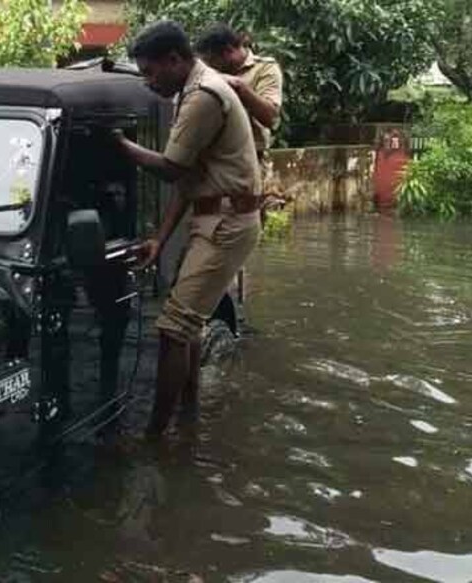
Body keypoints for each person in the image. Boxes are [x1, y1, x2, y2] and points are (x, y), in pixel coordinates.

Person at [112, 21, 262, 438]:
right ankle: (189, 416)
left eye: (151, 72)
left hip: (227, 222)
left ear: (175, 60)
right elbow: (188, 179)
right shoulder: (193, 89)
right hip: (215, 215)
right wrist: (160, 238)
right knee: (189, 324)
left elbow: (171, 168)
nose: (148, 81)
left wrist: (122, 146)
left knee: (172, 328)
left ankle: (156, 438)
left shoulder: (203, 96)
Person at [195, 23, 283, 197]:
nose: (210, 66)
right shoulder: (211, 72)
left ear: (227, 51)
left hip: (249, 159)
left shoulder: (265, 68)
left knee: (246, 215)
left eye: (212, 61)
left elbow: (270, 117)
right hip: (213, 158)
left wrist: (238, 87)